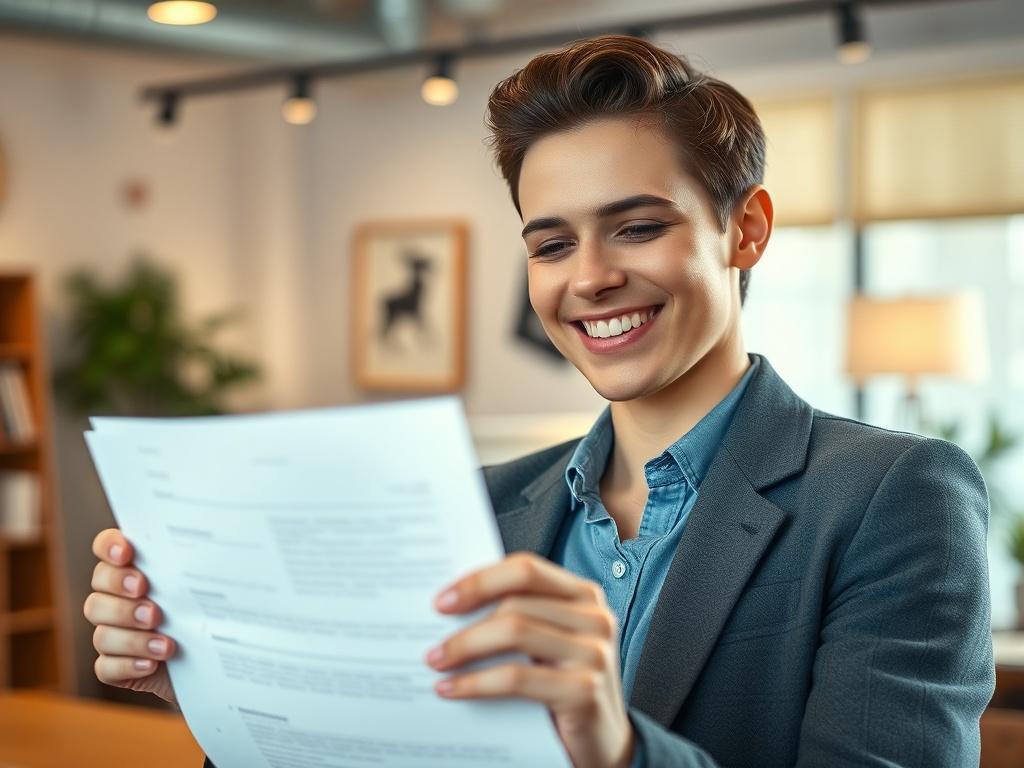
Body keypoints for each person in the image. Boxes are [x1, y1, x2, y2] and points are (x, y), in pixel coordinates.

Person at [83, 34, 995, 767]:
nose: (591, 278)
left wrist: (621, 750)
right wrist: (222, 689)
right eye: (551, 245)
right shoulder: (474, 505)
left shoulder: (893, 495)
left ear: (744, 230)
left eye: (637, 227)